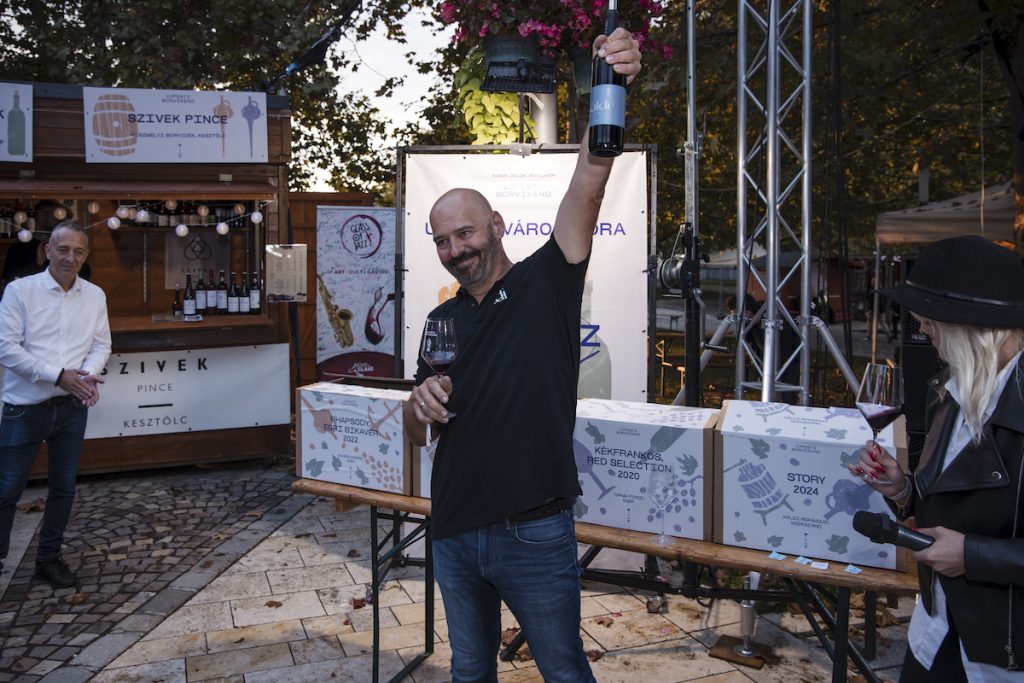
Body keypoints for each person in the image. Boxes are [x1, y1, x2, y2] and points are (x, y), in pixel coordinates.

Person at [402, 28, 640, 682]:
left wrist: (608, 85)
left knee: (564, 671)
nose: (455, 249)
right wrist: (417, 402)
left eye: (466, 233)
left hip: (533, 532)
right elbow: (418, 420)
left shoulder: (547, 280)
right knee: (469, 671)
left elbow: (590, 181)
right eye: (443, 240)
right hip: (452, 528)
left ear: (498, 225)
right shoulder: (440, 318)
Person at [847, 235, 1024, 681]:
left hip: (1002, 651)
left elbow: (974, 537)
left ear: (974, 329)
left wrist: (972, 555)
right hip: (935, 627)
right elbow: (949, 505)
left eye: (930, 322)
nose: (922, 332)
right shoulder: (950, 391)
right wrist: (903, 489)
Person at [0, 221, 110, 589]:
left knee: (63, 488)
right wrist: (59, 375)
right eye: (63, 249)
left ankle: (48, 559)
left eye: (78, 251)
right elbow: (7, 349)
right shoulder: (20, 292)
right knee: (7, 489)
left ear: (86, 256)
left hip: (70, 408)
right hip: (25, 407)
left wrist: (87, 377)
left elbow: (101, 345)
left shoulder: (95, 295)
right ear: (47, 250)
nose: (70, 257)